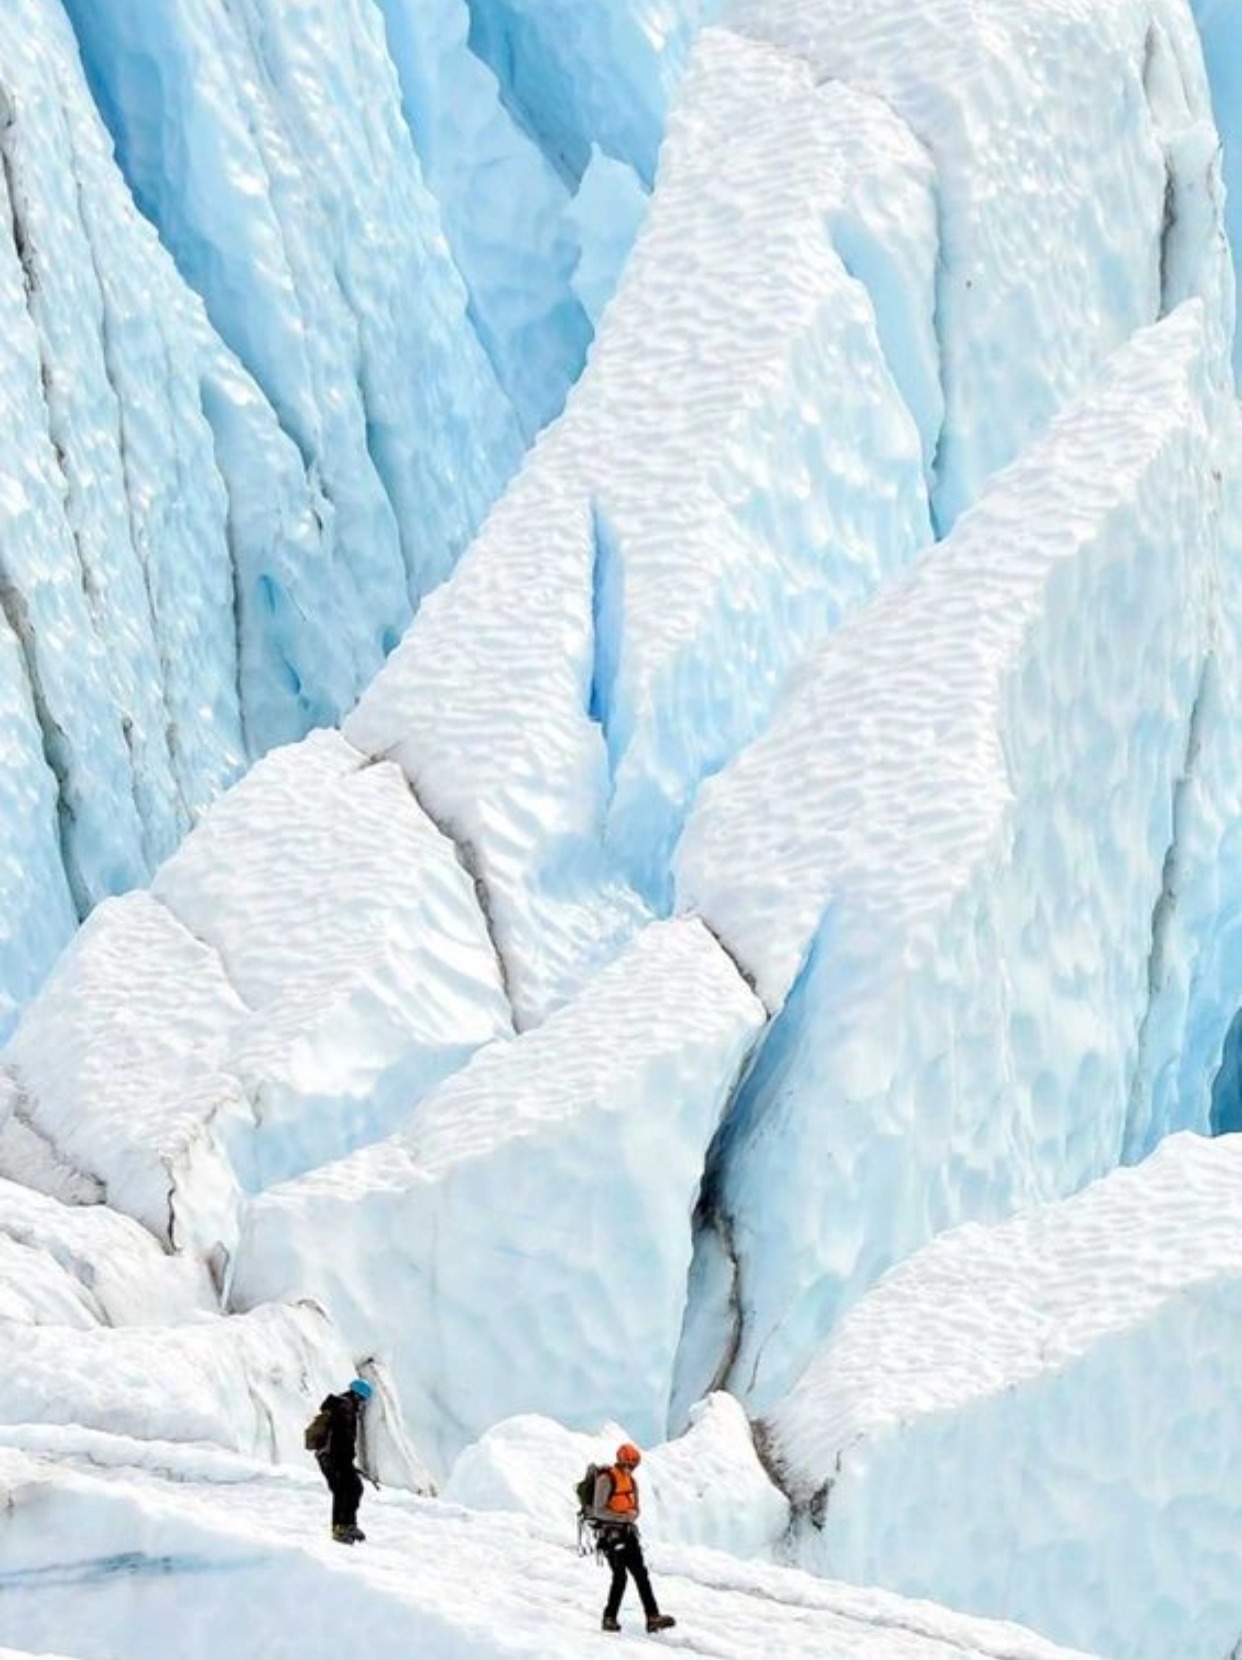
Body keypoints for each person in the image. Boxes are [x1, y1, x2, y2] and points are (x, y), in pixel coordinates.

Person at [590, 1442, 675, 1634]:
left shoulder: (631, 1482)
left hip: (628, 1533)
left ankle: (652, 1617)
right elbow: (598, 1511)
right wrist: (622, 1517)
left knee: (641, 1575)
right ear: (621, 1461)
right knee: (620, 1577)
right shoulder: (606, 1479)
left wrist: (632, 1515)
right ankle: (609, 1618)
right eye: (627, 1464)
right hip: (611, 1536)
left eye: (632, 1465)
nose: (629, 1468)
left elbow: (635, 1507)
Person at [314, 1377, 373, 1544]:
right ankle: (341, 1528)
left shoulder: (342, 1405)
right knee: (344, 1490)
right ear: (359, 1397)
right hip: (333, 1456)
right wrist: (346, 1460)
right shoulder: (345, 1407)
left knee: (352, 1488)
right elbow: (343, 1437)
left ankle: (347, 1525)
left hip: (331, 1456)